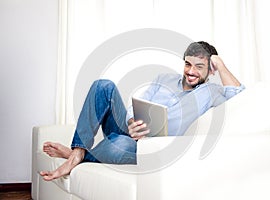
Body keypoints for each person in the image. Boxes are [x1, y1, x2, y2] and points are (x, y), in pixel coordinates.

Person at [40, 41, 245, 181]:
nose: (191, 71)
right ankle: (77, 152)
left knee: (118, 144)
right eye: (188, 64)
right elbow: (138, 102)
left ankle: (79, 156)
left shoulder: (211, 91)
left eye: (199, 67)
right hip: (131, 131)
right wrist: (130, 121)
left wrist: (219, 62)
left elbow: (240, 95)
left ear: (210, 70)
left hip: (151, 147)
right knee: (103, 85)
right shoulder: (163, 79)